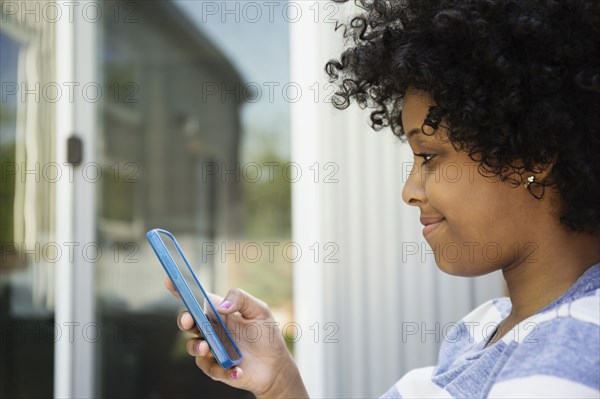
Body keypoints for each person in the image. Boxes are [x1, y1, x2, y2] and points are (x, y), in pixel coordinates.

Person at [165, 0, 600, 397]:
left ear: (535, 154)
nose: (409, 192)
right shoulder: (487, 327)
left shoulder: (568, 354)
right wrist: (281, 382)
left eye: (429, 157)